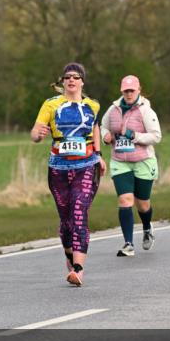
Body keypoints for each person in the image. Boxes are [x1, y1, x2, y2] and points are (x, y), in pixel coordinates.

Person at [31, 62, 106, 285]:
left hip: (86, 165)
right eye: (67, 77)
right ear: (62, 82)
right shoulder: (51, 105)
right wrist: (38, 135)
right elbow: (35, 132)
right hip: (58, 168)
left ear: (82, 81)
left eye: (75, 77)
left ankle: (78, 269)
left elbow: (95, 127)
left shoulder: (92, 105)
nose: (71, 80)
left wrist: (99, 154)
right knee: (66, 221)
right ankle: (69, 256)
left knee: (79, 213)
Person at [101, 75, 162, 256]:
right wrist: (106, 136)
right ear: (121, 91)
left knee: (142, 205)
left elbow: (156, 136)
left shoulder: (146, 111)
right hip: (120, 162)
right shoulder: (113, 109)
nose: (128, 94)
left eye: (131, 91)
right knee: (125, 200)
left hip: (143, 161)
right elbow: (102, 126)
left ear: (138, 90)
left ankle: (146, 227)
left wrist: (133, 135)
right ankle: (128, 243)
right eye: (125, 91)